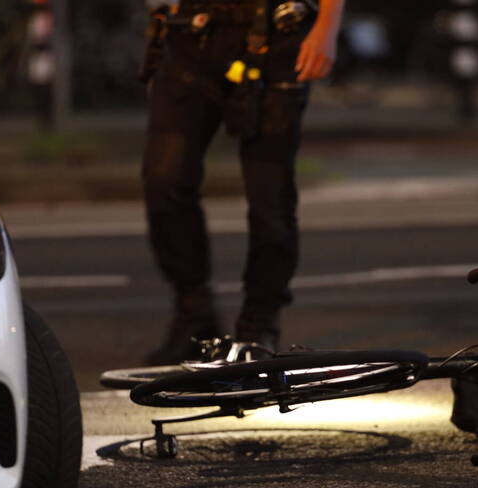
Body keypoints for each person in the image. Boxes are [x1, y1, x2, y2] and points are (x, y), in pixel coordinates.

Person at [141, 0, 345, 365]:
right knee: (163, 180)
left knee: (270, 200)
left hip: (276, 35)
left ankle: (258, 328)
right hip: (193, 32)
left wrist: (327, 26)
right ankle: (195, 316)